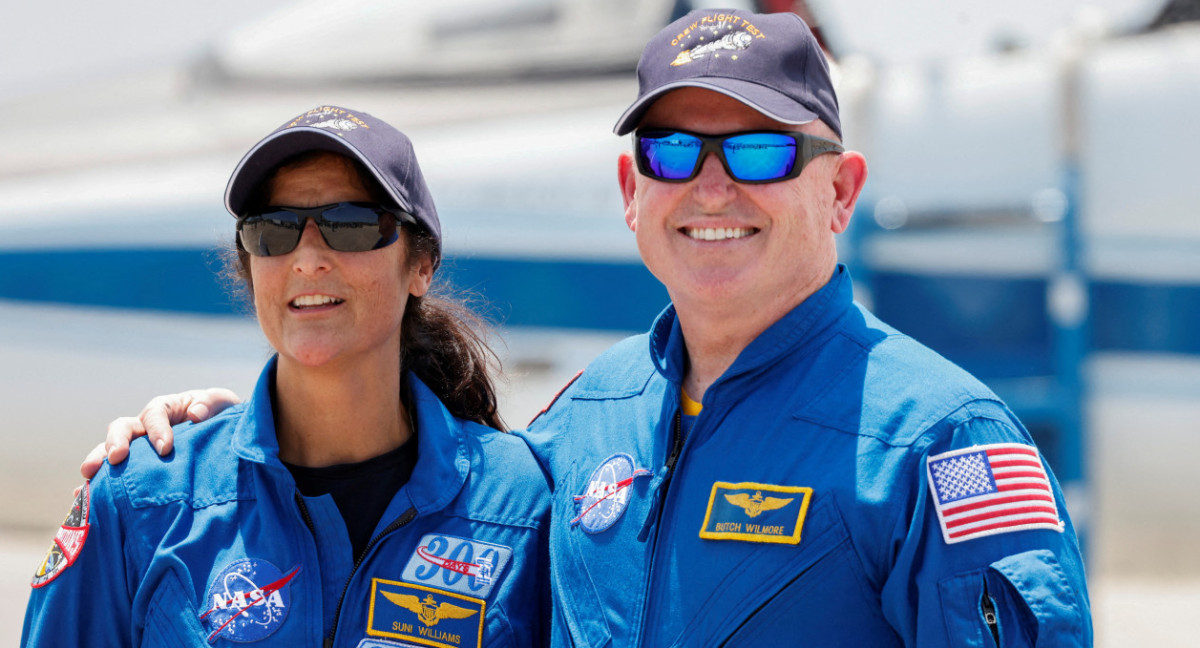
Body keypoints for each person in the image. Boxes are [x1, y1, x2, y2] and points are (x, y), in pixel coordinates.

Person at [82, 10, 1092, 646]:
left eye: (758, 154)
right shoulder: (586, 425)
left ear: (842, 191)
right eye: (671, 152)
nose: (708, 186)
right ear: (629, 189)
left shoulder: (936, 440)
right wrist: (215, 445)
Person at [25, 105, 550, 647]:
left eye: (351, 224)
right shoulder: (142, 501)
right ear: (249, 268)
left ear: (420, 265)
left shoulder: (521, 504)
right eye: (274, 230)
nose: (307, 258)